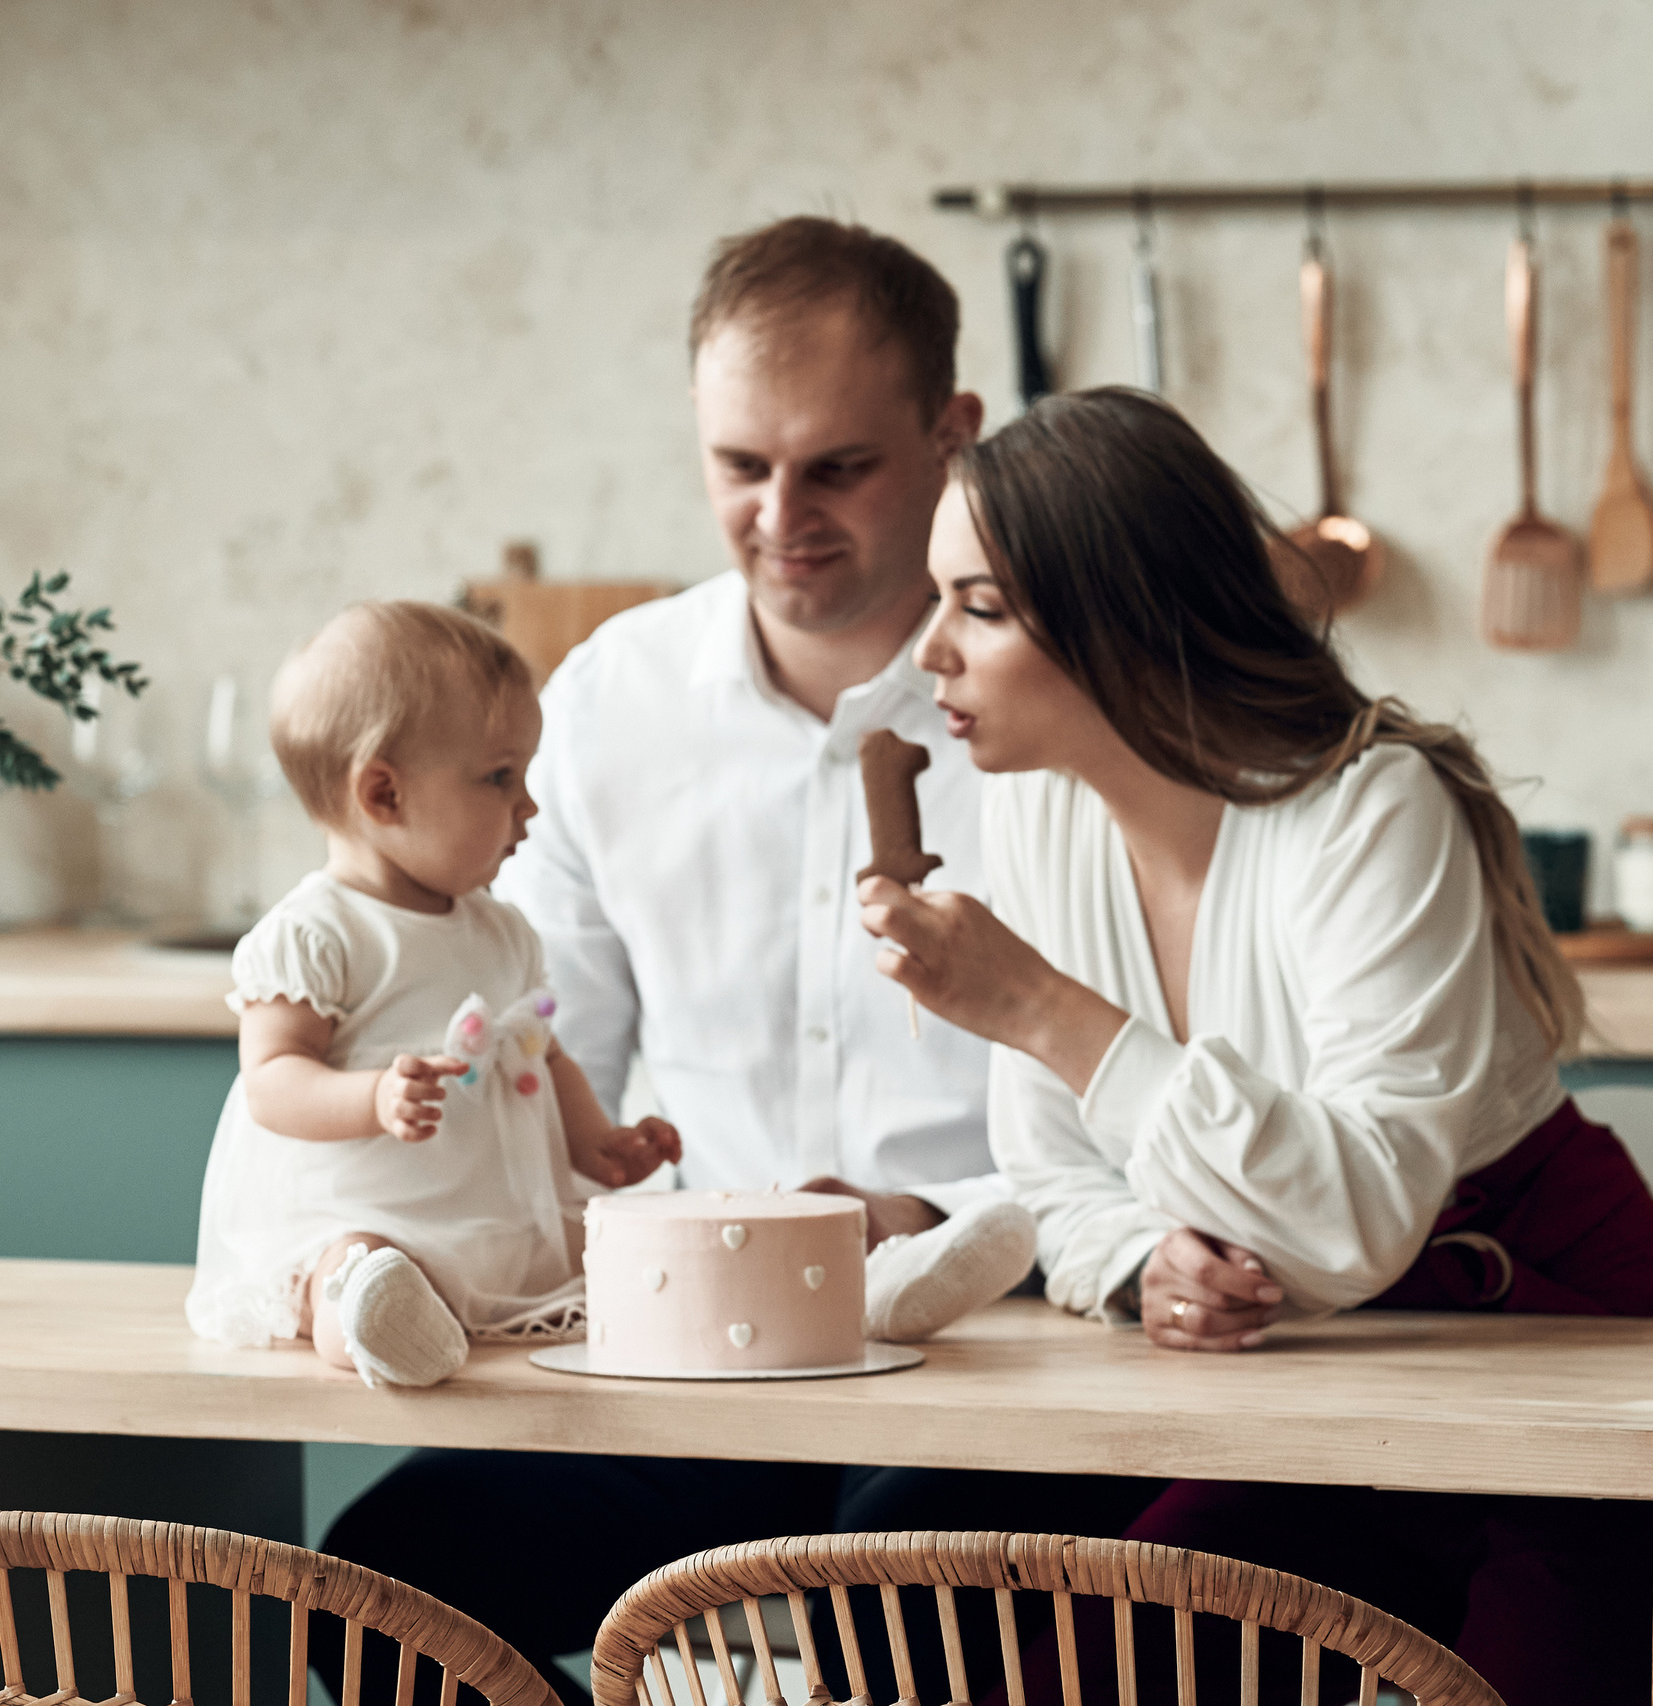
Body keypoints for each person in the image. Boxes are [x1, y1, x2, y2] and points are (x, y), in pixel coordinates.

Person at [315, 223, 1153, 1706]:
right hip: (689, 1352)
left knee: (879, 1607)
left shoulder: (1062, 715)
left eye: (838, 467)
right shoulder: (607, 704)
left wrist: (920, 1215)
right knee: (377, 1594)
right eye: (740, 467)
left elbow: (1147, 1097)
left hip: (1000, 1349)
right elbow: (538, 1050)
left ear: (953, 436)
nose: (782, 516)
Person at [859, 389, 1653, 1706]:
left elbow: (1363, 1216)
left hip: (1573, 1359)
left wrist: (1042, 1007)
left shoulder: (1374, 810)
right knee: (1091, 1670)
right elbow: (1051, 1173)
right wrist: (1144, 1258)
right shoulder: (1042, 821)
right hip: (1320, 1386)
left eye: (978, 606)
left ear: (1123, 621)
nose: (928, 650)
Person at [184, 600, 681, 1388]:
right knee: (352, 1264)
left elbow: (541, 1057)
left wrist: (598, 1144)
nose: (529, 806)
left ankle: (422, 1311)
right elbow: (272, 1082)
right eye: (499, 777)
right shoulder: (317, 933)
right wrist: (371, 1098)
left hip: (488, 1218)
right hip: (363, 1212)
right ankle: (375, 1325)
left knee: (632, 1247)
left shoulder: (504, 932)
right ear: (384, 794)